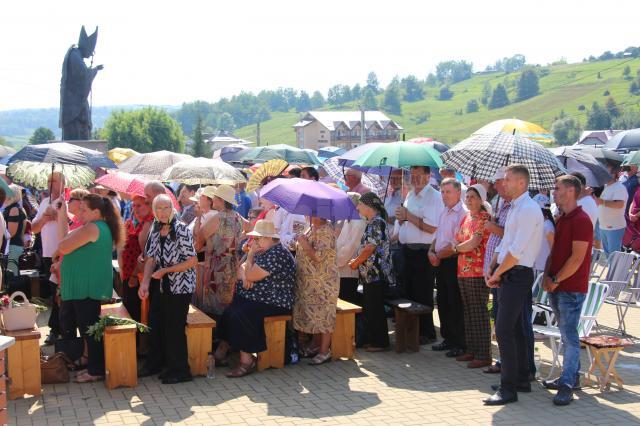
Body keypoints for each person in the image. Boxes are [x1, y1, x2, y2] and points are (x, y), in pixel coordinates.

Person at [484, 164, 543, 406]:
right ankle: (519, 379)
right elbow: (506, 242)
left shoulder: (529, 209)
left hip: (517, 274)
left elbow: (517, 252)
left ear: (521, 183)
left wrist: (498, 271)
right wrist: (493, 265)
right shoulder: (516, 207)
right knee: (516, 329)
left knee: (504, 330)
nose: (503, 183)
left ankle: (509, 389)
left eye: (507, 179)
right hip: (509, 272)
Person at [214, 220, 296, 377]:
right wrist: (246, 276)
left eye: (258, 239)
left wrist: (250, 258)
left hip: (276, 300)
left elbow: (249, 273)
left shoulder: (276, 253)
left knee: (243, 314)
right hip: (260, 296)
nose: (255, 242)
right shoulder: (266, 251)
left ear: (268, 238)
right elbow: (241, 269)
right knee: (230, 312)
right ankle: (223, 350)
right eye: (255, 239)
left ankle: (247, 360)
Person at [58, 194, 124, 383]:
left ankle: (96, 370)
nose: (80, 212)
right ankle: (94, 366)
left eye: (83, 210)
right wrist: (62, 213)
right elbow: (63, 241)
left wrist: (63, 217)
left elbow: (62, 247)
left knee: (89, 328)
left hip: (87, 285)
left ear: (96, 212)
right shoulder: (96, 226)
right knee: (88, 326)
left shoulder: (93, 227)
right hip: (87, 283)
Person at [542, 175, 593, 406]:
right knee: (567, 336)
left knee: (570, 338)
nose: (554, 192)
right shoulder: (562, 218)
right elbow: (555, 252)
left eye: (558, 188)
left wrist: (555, 278)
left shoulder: (581, 220)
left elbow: (577, 258)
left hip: (570, 288)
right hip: (558, 285)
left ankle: (567, 384)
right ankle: (573, 377)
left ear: (571, 191)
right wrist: (547, 274)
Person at [138, 195, 197, 384]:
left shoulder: (181, 230)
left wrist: (166, 270)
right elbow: (151, 259)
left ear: (172, 208)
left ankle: (180, 370)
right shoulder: (155, 230)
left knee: (174, 328)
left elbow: (192, 261)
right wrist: (145, 282)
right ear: (154, 211)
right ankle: (158, 364)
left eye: (166, 208)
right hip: (163, 284)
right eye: (159, 209)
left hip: (181, 286)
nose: (162, 212)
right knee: (157, 323)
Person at [396, 166, 443, 343]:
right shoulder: (410, 195)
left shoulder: (433, 197)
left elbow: (432, 227)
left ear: (428, 176)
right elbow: (408, 221)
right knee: (409, 292)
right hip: (408, 250)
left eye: (418, 175)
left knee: (422, 293)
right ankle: (412, 330)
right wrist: (402, 218)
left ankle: (426, 332)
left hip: (423, 251)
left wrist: (408, 216)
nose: (414, 179)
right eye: (412, 175)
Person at [452, 184, 492, 369]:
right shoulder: (466, 217)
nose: (469, 200)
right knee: (468, 311)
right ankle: (472, 349)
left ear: (481, 199)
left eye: (473, 197)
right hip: (463, 269)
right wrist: (458, 246)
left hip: (477, 270)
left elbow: (474, 242)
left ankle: (483, 354)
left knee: (478, 312)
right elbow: (458, 238)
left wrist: (456, 248)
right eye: (467, 197)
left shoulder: (484, 218)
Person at [348, 192, 392, 351]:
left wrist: (356, 262)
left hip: (376, 273)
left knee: (376, 308)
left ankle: (380, 342)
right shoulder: (373, 222)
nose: (358, 207)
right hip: (370, 274)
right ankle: (374, 339)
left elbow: (370, 248)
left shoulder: (376, 223)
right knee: (371, 307)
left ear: (368, 206)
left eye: (360, 204)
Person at [293, 214, 339, 365]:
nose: (306, 215)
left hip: (323, 283)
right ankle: (314, 346)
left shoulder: (325, 231)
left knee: (324, 316)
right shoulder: (312, 227)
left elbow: (319, 257)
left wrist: (303, 243)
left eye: (309, 212)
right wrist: (298, 242)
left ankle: (325, 351)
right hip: (309, 283)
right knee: (312, 315)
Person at [428, 178, 466, 356]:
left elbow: (455, 242)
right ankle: (447, 338)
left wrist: (437, 255)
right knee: (442, 301)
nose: (444, 195)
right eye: (442, 192)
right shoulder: (444, 211)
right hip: (440, 260)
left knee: (454, 302)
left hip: (452, 261)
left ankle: (459, 342)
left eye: (448, 192)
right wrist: (431, 250)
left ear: (458, 192)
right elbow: (438, 235)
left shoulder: (462, 213)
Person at [31, 171, 66, 345]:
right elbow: (34, 228)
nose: (50, 183)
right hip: (47, 254)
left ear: (63, 183)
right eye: (49, 180)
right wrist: (46, 216)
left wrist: (58, 214)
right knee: (54, 293)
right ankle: (58, 329)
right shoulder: (45, 201)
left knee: (58, 294)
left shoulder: (68, 202)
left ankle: (56, 329)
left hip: (62, 253)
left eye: (54, 180)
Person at [200, 185, 244, 315]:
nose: (213, 200)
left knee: (213, 301)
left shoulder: (218, 217)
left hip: (218, 264)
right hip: (232, 262)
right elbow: (249, 227)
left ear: (221, 200)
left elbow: (200, 236)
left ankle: (214, 332)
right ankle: (225, 330)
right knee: (227, 299)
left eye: (215, 198)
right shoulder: (238, 217)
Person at [118, 195, 153, 323]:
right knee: (129, 309)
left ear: (149, 206)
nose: (135, 208)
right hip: (128, 274)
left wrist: (133, 276)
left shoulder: (149, 224)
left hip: (137, 276)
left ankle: (138, 342)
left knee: (136, 313)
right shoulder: (134, 223)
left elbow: (145, 254)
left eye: (139, 205)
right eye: (134, 205)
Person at [336, 193, 366, 305]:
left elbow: (351, 246)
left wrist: (336, 261)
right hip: (341, 270)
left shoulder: (358, 222)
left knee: (347, 303)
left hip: (348, 270)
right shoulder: (349, 220)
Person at [596, 165, 628, 254]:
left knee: (614, 256)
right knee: (608, 255)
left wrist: (602, 202)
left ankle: (615, 268)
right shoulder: (606, 187)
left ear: (614, 174)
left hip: (614, 227)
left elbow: (620, 204)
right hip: (604, 226)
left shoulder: (619, 187)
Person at [3, 184, 27, 277]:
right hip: (14, 246)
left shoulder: (13, 209)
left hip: (12, 247)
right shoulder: (15, 208)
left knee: (11, 277)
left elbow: (11, 233)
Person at [534, 209, 555, 276]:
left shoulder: (548, 226)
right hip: (539, 267)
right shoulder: (543, 224)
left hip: (544, 268)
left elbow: (553, 248)